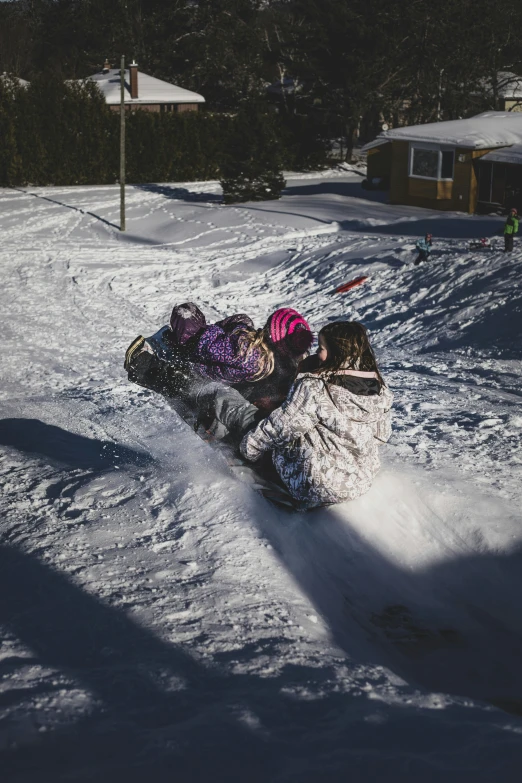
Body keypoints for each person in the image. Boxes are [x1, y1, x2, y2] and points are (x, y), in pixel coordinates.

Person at [240, 321, 393, 509]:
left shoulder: (316, 388)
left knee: (250, 418)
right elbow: (380, 436)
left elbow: (282, 427)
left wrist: (249, 449)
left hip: (316, 484)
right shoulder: (379, 389)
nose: (317, 353)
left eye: (321, 348)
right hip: (360, 482)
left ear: (337, 353)